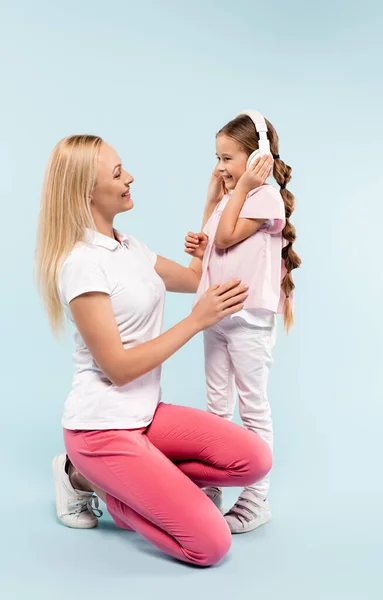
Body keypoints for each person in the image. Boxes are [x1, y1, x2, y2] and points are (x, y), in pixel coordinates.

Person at [35, 134, 272, 567]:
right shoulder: (83, 264)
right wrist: (197, 321)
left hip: (144, 415)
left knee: (255, 460)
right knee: (211, 544)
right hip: (100, 430)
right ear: (87, 191)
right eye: (117, 172)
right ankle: (91, 482)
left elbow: (191, 278)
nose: (130, 177)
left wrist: (210, 207)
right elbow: (119, 369)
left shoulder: (129, 247)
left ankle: (133, 483)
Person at [184, 110, 301, 534]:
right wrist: (207, 211)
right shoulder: (231, 198)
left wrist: (242, 188)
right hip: (216, 313)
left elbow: (231, 236)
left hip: (248, 320)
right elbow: (214, 244)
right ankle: (213, 486)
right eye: (216, 157)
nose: (219, 167)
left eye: (228, 158)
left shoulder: (263, 197)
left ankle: (256, 498)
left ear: (257, 160)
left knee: (253, 408)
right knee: (216, 407)